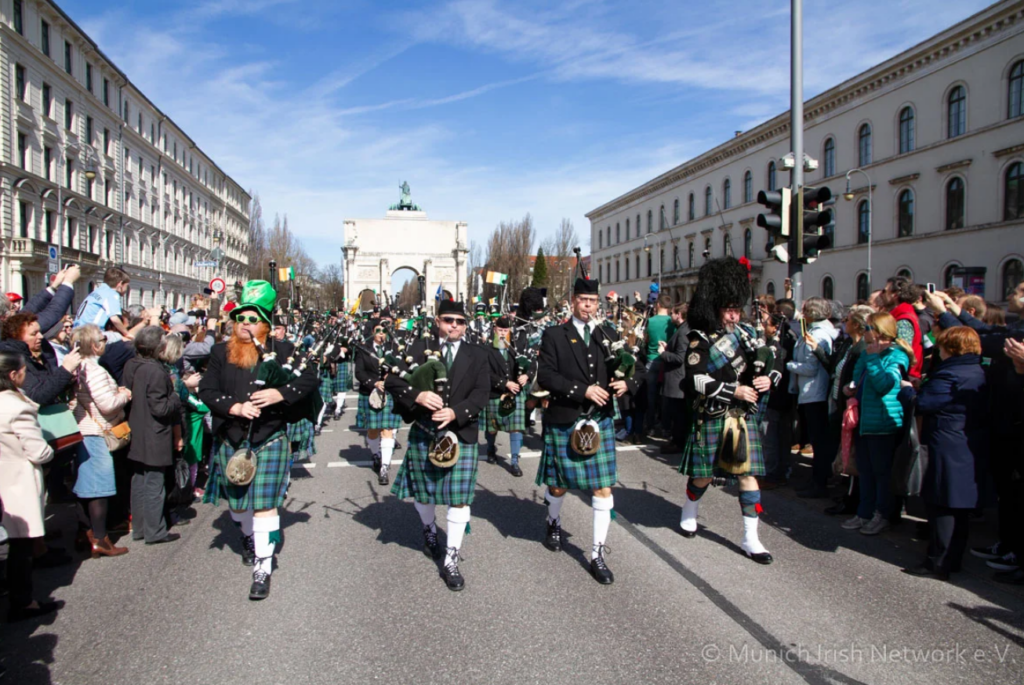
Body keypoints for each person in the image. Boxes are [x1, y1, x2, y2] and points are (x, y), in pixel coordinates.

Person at [198, 281, 319, 600]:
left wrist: (281, 392)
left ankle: (262, 567)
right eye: (240, 318)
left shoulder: (283, 352)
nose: (245, 325)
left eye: (253, 319)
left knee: (265, 504)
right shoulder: (219, 353)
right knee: (239, 508)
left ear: (265, 324)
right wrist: (234, 406)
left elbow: (310, 378)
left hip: (270, 438)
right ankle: (248, 535)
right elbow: (206, 391)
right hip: (232, 437)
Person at [535, 277, 637, 584]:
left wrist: (626, 383)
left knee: (603, 488)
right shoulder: (554, 334)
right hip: (566, 417)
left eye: (592, 301)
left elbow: (636, 366)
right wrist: (584, 391)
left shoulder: (608, 333)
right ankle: (553, 521)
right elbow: (547, 376)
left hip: (600, 419)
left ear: (597, 303)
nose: (588, 306)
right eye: (582, 300)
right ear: (573, 301)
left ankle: (596, 553)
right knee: (558, 485)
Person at [677, 258, 779, 565]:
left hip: (742, 416)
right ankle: (689, 509)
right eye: (728, 308)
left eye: (737, 307)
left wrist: (767, 379)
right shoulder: (700, 337)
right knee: (703, 477)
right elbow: (696, 379)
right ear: (716, 307)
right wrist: (733, 390)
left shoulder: (747, 333)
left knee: (747, 476)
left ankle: (751, 538)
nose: (734, 314)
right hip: (712, 413)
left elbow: (775, 370)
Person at [386, 299, 490, 591]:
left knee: (459, 499)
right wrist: (417, 396)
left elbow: (483, 392)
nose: (453, 326)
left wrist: (457, 411)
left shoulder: (477, 354)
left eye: (459, 321)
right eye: (448, 320)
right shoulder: (418, 348)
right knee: (424, 494)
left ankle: (451, 559)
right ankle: (429, 529)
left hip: (461, 432)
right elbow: (392, 380)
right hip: (424, 430)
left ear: (466, 325)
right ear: (437, 321)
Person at [902, 327, 987, 580]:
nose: (937, 349)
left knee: (942, 503)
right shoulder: (978, 369)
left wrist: (908, 390)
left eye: (940, 345)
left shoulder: (950, 372)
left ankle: (937, 562)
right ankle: (953, 559)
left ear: (950, 347)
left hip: (946, 441)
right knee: (959, 506)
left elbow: (925, 404)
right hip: (968, 440)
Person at [0, 351, 60, 621]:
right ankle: (23, 602)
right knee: (21, 547)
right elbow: (37, 452)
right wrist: (52, 448)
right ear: (13, 375)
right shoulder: (17, 407)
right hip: (18, 481)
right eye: (24, 371)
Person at [841, 311, 914, 535]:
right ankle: (864, 512)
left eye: (868, 328)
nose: (865, 332)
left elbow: (884, 385)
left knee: (881, 473)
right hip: (864, 420)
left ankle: (882, 515)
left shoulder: (896, 356)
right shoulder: (867, 352)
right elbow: (859, 377)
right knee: (865, 471)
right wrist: (850, 389)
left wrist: (872, 358)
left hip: (883, 423)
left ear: (880, 332)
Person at [70, 324, 131, 559]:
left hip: (85, 430)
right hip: (96, 433)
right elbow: (106, 405)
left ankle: (85, 534)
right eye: (103, 339)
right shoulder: (93, 370)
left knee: (85, 487)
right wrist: (123, 395)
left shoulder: (79, 366)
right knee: (98, 490)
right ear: (95, 345)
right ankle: (99, 539)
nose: (105, 343)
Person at [121, 326, 181, 546]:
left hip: (136, 428)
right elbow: (161, 408)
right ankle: (154, 530)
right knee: (154, 483)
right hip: (154, 433)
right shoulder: (155, 371)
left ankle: (140, 527)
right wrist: (175, 396)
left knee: (139, 480)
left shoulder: (131, 364)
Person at [788, 298, 839, 499]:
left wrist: (789, 364)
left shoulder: (819, 334)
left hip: (815, 392)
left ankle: (820, 481)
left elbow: (811, 367)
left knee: (819, 440)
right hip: (810, 392)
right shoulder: (813, 331)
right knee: (817, 438)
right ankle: (817, 478)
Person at [356, 320, 403, 485]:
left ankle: (384, 467)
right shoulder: (364, 350)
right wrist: (374, 383)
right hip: (371, 393)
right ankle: (376, 454)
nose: (381, 333)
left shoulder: (395, 348)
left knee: (388, 430)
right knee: (373, 431)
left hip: (390, 393)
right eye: (378, 330)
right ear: (372, 333)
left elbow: (403, 367)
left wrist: (391, 378)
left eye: (384, 331)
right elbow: (359, 372)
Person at [0, 311, 81, 406]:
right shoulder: (14, 360)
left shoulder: (40, 352)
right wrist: (65, 370)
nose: (41, 336)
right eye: (34, 334)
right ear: (17, 336)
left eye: (40, 332)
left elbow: (49, 386)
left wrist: (69, 377)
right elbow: (37, 396)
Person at [482, 316, 529, 477]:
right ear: (494, 330)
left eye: (506, 330)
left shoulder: (516, 346)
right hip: (496, 393)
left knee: (515, 429)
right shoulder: (487, 349)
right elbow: (485, 372)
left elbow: (532, 362)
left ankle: (515, 461)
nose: (502, 333)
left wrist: (527, 375)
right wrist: (504, 383)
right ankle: (490, 448)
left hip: (516, 393)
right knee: (493, 428)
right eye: (500, 330)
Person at [657, 303, 691, 453]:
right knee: (676, 413)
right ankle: (676, 440)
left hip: (678, 380)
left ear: (679, 314)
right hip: (675, 379)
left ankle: (678, 442)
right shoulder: (681, 329)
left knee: (678, 414)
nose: (671, 316)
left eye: (672, 313)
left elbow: (680, 357)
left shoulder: (684, 331)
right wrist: (667, 347)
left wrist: (662, 353)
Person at [643, 294, 676, 439]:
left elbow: (645, 339)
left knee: (650, 396)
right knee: (665, 396)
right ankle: (665, 427)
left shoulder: (650, 321)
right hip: (667, 361)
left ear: (657, 305)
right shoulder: (672, 322)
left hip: (651, 359)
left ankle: (650, 426)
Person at [73, 266, 133, 339]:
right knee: (120, 339)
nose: (126, 289)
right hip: (90, 334)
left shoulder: (98, 291)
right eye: (126, 286)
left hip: (77, 332)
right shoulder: (111, 293)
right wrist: (126, 334)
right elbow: (114, 318)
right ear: (120, 284)